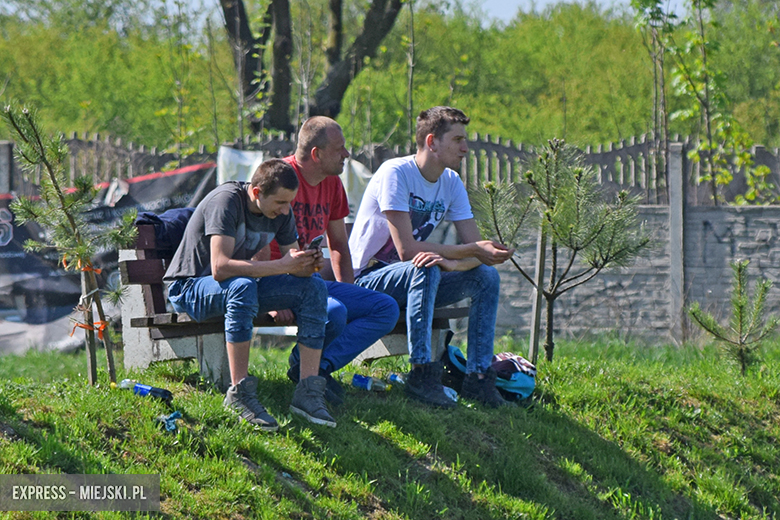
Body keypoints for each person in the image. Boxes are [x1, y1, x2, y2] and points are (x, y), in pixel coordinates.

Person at [349, 106, 515, 409]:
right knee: (423, 266)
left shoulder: (450, 182)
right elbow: (407, 252)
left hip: (421, 279)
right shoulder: (396, 173)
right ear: (431, 142)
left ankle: (478, 378)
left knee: (485, 277)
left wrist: (457, 262)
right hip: (369, 281)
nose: (465, 148)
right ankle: (422, 373)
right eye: (457, 140)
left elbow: (475, 251)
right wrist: (471, 252)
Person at [163, 158, 336, 430]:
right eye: (280, 203)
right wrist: (282, 266)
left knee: (314, 287)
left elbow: (293, 263)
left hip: (236, 287)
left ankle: (307, 393)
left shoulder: (280, 212)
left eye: (289, 202)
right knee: (243, 286)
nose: (285, 210)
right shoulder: (226, 201)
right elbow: (219, 268)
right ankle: (239, 394)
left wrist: (308, 264)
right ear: (256, 192)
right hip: (190, 288)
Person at [269, 116, 400, 402]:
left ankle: (315, 370)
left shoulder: (332, 184)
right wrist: (274, 300)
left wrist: (353, 291)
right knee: (334, 311)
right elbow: (256, 241)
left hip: (311, 283)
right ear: (316, 154)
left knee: (385, 309)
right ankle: (309, 375)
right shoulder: (279, 178)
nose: (347, 154)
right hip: (275, 281)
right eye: (340, 148)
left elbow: (339, 243)